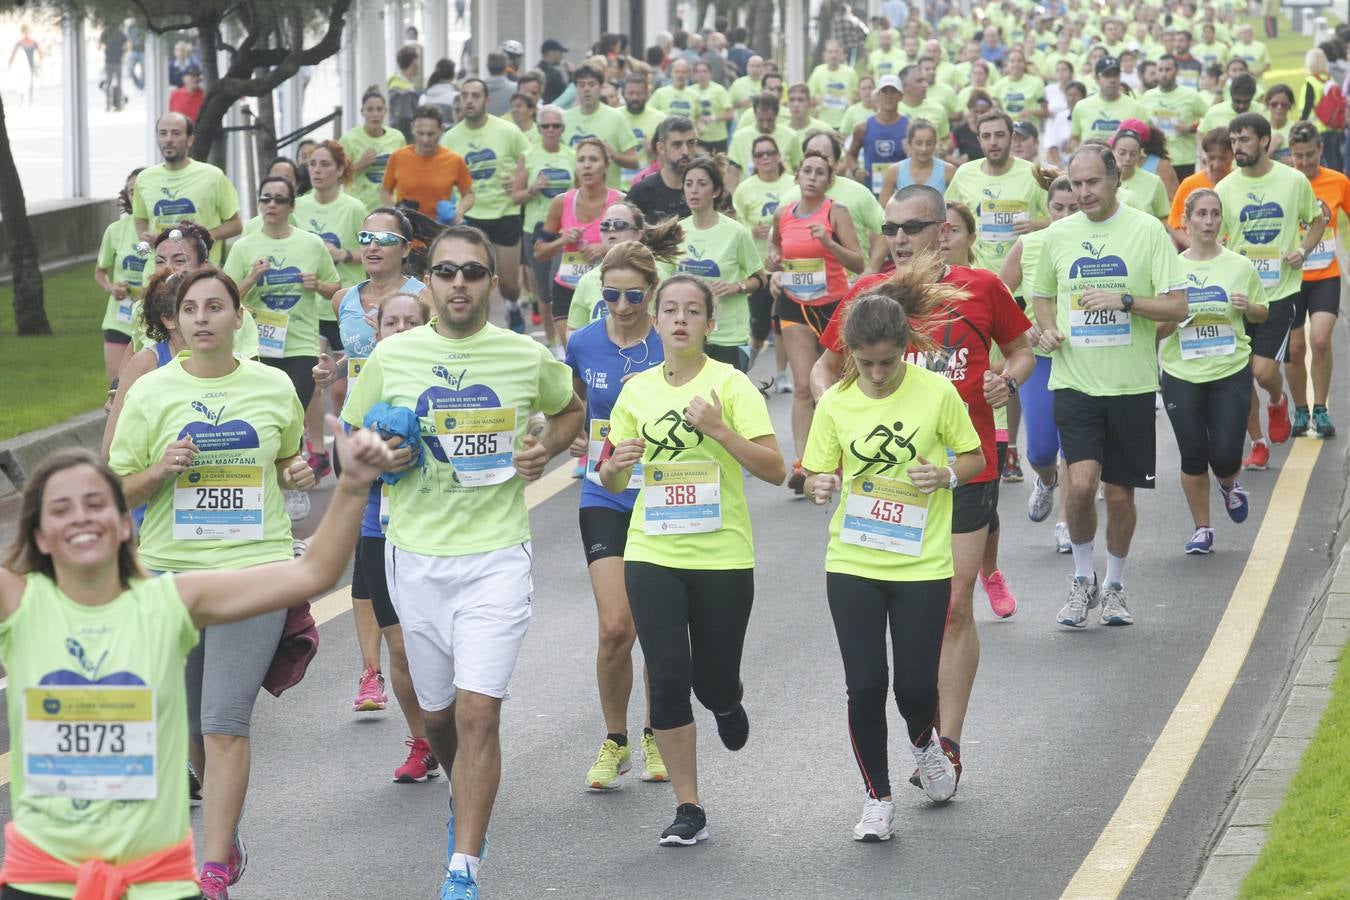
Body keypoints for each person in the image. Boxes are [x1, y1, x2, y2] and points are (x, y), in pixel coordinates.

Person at [0, 425, 393, 900]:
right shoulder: (20, 604)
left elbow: (314, 572)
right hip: (40, 880)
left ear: (125, 523)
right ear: (40, 535)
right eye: (61, 509)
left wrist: (353, 484)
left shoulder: (170, 601)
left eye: (96, 504)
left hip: (155, 883)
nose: (81, 518)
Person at [341, 224, 584, 900]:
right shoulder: (395, 355)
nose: (458, 284)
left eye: (473, 272)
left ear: (489, 281)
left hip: (495, 553)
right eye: (446, 272)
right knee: (440, 717)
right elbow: (353, 435)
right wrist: (381, 452)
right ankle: (462, 792)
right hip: (414, 556)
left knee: (480, 713)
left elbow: (569, 410)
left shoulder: (520, 354)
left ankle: (463, 868)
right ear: (429, 278)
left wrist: (547, 450)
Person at [107, 266, 318, 900]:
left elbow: (287, 460)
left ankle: (215, 865)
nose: (201, 318)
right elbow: (115, 488)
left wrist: (299, 473)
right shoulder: (151, 392)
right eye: (189, 308)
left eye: (215, 307)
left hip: (254, 569)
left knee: (226, 720)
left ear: (236, 318)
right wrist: (160, 470)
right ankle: (226, 838)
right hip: (172, 572)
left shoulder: (274, 386)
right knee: (189, 725)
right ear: (173, 321)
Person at [812, 184, 1034, 777]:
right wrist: (836, 420)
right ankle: (921, 728)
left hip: (966, 468)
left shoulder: (982, 288)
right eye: (891, 228)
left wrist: (1006, 381)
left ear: (944, 230)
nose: (900, 238)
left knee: (957, 605)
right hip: (888, 485)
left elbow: (1021, 350)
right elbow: (824, 368)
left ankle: (948, 742)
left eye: (913, 227)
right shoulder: (868, 294)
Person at [598, 274, 785, 846]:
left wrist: (719, 429)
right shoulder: (636, 392)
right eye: (670, 310)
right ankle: (689, 807)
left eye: (692, 311)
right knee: (669, 677)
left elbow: (776, 469)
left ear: (709, 322)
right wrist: (614, 466)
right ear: (656, 321)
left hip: (723, 554)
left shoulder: (731, 384)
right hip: (652, 550)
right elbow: (609, 473)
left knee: (712, 678)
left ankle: (727, 702)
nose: (680, 319)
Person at [803, 268, 986, 840]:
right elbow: (815, 470)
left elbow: (975, 459)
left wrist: (946, 475)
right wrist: (819, 485)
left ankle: (923, 741)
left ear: (905, 349)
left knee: (913, 688)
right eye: (866, 363)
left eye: (887, 362)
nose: (878, 375)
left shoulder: (936, 392)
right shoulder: (835, 402)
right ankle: (877, 797)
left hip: (921, 563)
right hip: (853, 560)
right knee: (864, 684)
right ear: (850, 354)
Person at [1030, 143, 1187, 628]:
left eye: (1092, 182)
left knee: (1119, 497)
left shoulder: (1147, 231)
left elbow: (1178, 307)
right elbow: (1040, 296)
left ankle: (1115, 585)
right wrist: (1048, 327)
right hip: (1075, 382)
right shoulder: (1058, 235)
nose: (1083, 192)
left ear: (1115, 179)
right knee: (1079, 487)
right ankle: (1082, 579)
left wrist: (1125, 300)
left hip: (1131, 386)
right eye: (1075, 184)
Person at [564, 243, 669, 789]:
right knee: (615, 628)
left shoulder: (669, 341)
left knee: (655, 627)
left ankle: (654, 732)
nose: (622, 305)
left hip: (663, 496)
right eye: (611, 295)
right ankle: (615, 739)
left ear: (651, 291)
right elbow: (573, 401)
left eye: (633, 295)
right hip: (603, 493)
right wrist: (581, 435)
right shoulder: (582, 341)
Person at [1214, 113, 1324, 471]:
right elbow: (1216, 239)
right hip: (1238, 295)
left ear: (1265, 140)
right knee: (1241, 378)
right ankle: (1258, 443)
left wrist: (1303, 250)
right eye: (1233, 141)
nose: (1237, 148)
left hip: (1279, 292)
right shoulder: (1225, 189)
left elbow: (1318, 219)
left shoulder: (1293, 181)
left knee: (1262, 372)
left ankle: (1278, 400)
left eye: (1243, 139)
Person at [1160, 189, 1267, 554]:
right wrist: (1173, 318)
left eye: (1215, 214)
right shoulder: (1171, 267)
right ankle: (1202, 529)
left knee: (1223, 456)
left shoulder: (1239, 265)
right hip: (1181, 372)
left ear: (1222, 219)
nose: (1208, 221)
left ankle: (1228, 484)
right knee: (1192, 454)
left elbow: (1261, 313)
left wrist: (1247, 304)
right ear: (1186, 220)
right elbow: (1156, 326)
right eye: (1201, 214)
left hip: (1229, 369)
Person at [768, 151, 864, 491]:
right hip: (794, 306)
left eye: (819, 172)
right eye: (806, 170)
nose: (811, 176)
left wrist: (828, 243)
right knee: (804, 386)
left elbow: (857, 262)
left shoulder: (835, 212)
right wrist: (774, 265)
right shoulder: (783, 213)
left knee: (835, 383)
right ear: (797, 175)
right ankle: (804, 464)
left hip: (832, 307)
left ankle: (839, 457)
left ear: (828, 180)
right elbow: (774, 253)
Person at [1000, 174, 1079, 553]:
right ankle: (1045, 481)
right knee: (1042, 451)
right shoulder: (1028, 245)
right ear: (1046, 209)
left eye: (1073, 208)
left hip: (1082, 362)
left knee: (1071, 448)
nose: (1064, 216)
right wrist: (1025, 328)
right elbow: (997, 299)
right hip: (1041, 362)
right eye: (1058, 208)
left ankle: (1065, 523)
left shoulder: (1091, 243)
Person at [296, 141, 370, 475]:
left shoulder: (353, 208)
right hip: (308, 308)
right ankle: (316, 450)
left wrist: (345, 255)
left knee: (340, 390)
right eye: (312, 164)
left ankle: (344, 446)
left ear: (340, 170)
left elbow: (370, 252)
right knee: (311, 380)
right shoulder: (297, 207)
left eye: (325, 164)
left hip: (344, 303)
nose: (317, 171)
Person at [441, 78, 531, 332]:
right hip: (470, 217)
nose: (469, 100)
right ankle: (484, 335)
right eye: (465, 96)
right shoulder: (450, 138)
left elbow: (532, 160)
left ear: (487, 100)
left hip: (505, 214)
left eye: (475, 96)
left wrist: (518, 179)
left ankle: (514, 307)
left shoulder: (508, 131)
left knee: (509, 285)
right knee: (478, 283)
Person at [674, 155, 767, 373]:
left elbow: (760, 279)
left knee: (726, 404)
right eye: (689, 184)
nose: (694, 190)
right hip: (686, 333)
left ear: (716, 191)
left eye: (702, 184)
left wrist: (736, 287)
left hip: (728, 335)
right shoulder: (675, 232)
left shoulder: (736, 233)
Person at [1286, 121, 1347, 438]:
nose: (1305, 162)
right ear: (1290, 154)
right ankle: (1300, 409)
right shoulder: (1284, 182)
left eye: (1310, 155)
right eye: (1298, 156)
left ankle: (1320, 409)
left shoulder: (1337, 182)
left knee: (1320, 341)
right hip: (1290, 279)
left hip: (1326, 275)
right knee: (1295, 349)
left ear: (1321, 149)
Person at [535, 139, 625, 338]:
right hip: (567, 288)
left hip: (606, 291)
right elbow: (539, 252)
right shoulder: (561, 202)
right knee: (574, 356)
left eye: (593, 159)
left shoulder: (620, 202)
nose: (586, 165)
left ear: (606, 166)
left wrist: (606, 248)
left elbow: (637, 245)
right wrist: (562, 241)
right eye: (581, 160)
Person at [944, 111, 1049, 276]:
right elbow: (946, 221)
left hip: (1024, 277)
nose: (993, 142)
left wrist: (1034, 225)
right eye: (986, 136)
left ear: (1011, 138)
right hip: (979, 277)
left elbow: (1060, 221)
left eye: (999, 135)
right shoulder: (964, 174)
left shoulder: (1033, 173)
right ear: (979, 140)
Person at [133, 113, 242, 262]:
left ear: (190, 140)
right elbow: (140, 219)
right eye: (163, 133)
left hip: (199, 273)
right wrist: (146, 237)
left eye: (176, 133)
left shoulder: (213, 176)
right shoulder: (144, 178)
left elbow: (235, 224)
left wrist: (203, 237)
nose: (169, 139)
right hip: (157, 275)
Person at [565, 201, 685, 337]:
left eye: (619, 224)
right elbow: (574, 330)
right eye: (605, 225)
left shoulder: (659, 277)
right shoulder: (587, 280)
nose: (611, 229)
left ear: (638, 234)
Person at [732, 134, 797, 372]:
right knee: (758, 327)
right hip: (757, 267)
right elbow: (735, 227)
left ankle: (782, 375)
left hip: (788, 266)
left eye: (770, 153)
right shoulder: (744, 189)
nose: (766, 158)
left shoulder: (793, 184)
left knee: (784, 324)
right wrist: (752, 231)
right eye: (760, 154)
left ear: (779, 156)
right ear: (753, 160)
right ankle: (744, 371)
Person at [513, 104, 575, 352]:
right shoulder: (528, 156)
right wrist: (532, 189)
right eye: (546, 126)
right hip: (536, 230)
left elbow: (580, 192)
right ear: (538, 128)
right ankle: (552, 343)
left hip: (566, 231)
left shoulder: (572, 155)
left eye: (556, 126)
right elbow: (516, 197)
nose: (551, 130)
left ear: (562, 128)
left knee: (561, 285)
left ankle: (565, 340)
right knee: (543, 291)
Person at [95, 169, 148, 383]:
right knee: (117, 388)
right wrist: (111, 287)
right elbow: (100, 271)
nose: (137, 197)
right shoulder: (115, 230)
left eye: (142, 191)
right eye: (132, 191)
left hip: (150, 321)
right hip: (119, 320)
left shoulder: (162, 230)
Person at [380, 105, 475, 221]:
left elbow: (469, 194)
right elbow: (385, 191)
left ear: (441, 130)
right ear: (412, 128)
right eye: (420, 133)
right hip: (407, 231)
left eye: (431, 134)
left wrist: (459, 211)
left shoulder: (454, 160)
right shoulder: (398, 157)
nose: (425, 140)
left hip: (438, 231)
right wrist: (394, 212)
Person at [562, 64, 641, 188]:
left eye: (591, 84)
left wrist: (614, 155)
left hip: (607, 198)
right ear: (576, 88)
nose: (586, 89)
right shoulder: (564, 119)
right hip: (574, 197)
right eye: (582, 85)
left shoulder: (616, 117)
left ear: (601, 87)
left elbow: (635, 162)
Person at [340, 88, 410, 212]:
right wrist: (360, 164)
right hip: (360, 207)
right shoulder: (348, 140)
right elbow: (337, 178)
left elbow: (405, 172)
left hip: (390, 207)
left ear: (386, 111)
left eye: (379, 109)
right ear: (362, 112)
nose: (375, 114)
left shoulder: (397, 137)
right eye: (370, 109)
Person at [843, 74, 910, 199]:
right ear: (878, 95)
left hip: (902, 193)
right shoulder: (863, 127)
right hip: (871, 193)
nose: (889, 96)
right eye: (884, 91)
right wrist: (856, 170)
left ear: (900, 96)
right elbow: (851, 154)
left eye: (893, 92)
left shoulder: (909, 127)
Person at [1144, 55, 1209, 182]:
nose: (1164, 74)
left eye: (1168, 70)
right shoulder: (1148, 97)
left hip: (1184, 159)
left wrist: (1190, 128)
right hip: (1157, 158)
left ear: (1176, 71)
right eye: (1160, 70)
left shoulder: (1191, 95)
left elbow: (1210, 118)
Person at [1168, 128, 1233, 250]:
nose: (1216, 164)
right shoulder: (1190, 184)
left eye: (1223, 159)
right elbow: (1174, 225)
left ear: (1233, 156)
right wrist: (1196, 247)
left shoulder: (1238, 183)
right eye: (1211, 158)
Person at [627, 116, 697, 223]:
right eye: (677, 145)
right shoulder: (642, 192)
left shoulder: (707, 188)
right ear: (661, 148)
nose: (685, 152)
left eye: (690, 143)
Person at [727, 92, 803, 188]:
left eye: (769, 120)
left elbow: (798, 168)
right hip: (751, 193)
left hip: (784, 192)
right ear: (754, 115)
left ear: (776, 115)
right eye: (761, 120)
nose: (765, 125)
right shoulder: (739, 137)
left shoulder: (791, 136)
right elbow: (733, 173)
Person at [1070, 57, 1148, 147]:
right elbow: (1074, 138)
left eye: (1115, 75)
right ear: (1097, 78)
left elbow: (1147, 141)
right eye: (1107, 75)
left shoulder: (1137, 108)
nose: (1112, 80)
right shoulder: (1081, 107)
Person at [878, 120, 955, 207]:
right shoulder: (894, 171)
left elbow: (955, 207)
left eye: (929, 143)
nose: (924, 149)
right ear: (910, 143)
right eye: (919, 143)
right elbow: (883, 206)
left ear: (935, 144)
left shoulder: (948, 171)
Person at [619, 75, 668, 189]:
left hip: (648, 184)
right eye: (630, 93)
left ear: (647, 94)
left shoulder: (660, 118)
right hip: (619, 185)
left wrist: (654, 149)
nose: (635, 97)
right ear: (623, 94)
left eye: (639, 93)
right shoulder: (615, 116)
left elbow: (670, 152)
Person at [1111, 127, 1169, 222]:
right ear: (1112, 152)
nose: (1127, 158)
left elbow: (1164, 217)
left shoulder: (1154, 182)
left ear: (1140, 155)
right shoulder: (1102, 181)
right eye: (1122, 153)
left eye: (1133, 154)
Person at [809, 39, 860, 130]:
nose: (833, 55)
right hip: (824, 124)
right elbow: (809, 99)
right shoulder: (818, 72)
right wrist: (819, 100)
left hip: (846, 124)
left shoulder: (850, 73)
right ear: (824, 55)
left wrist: (851, 102)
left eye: (836, 52)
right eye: (830, 52)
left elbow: (858, 97)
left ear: (841, 54)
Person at [692, 59, 733, 153]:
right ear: (694, 75)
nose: (701, 74)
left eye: (704, 71)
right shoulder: (690, 91)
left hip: (718, 138)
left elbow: (730, 114)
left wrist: (712, 117)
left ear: (710, 74)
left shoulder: (719, 90)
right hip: (699, 138)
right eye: (698, 72)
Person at [538, 38, 569, 104]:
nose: (561, 57)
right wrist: (571, 75)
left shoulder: (536, 70)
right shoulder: (554, 74)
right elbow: (566, 95)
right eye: (560, 53)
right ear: (551, 53)